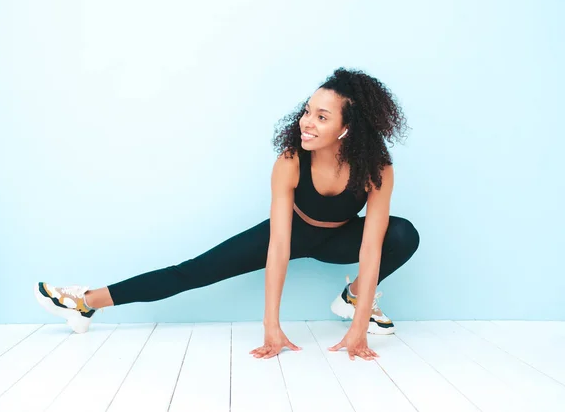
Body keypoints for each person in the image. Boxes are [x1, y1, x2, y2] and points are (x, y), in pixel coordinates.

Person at [34, 67, 420, 361]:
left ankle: (354, 301)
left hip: (341, 237)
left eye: (322, 117)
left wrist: (358, 329)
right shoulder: (290, 161)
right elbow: (280, 245)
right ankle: (85, 301)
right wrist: (272, 326)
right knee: (193, 271)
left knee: (402, 234)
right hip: (290, 231)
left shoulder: (377, 168)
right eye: (307, 111)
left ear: (346, 129)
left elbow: (371, 247)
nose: (306, 122)